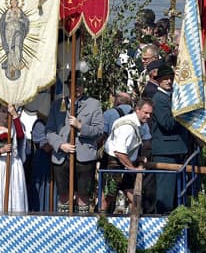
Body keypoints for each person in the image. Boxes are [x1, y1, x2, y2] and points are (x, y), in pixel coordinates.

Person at [45, 76, 103, 213]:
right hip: (61, 156)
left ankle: (82, 225)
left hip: (85, 157)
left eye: (80, 84)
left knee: (83, 195)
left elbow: (99, 131)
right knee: (63, 194)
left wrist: (80, 126)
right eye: (73, 84)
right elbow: (49, 130)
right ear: (68, 85)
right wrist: (60, 145)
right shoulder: (57, 104)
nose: (77, 87)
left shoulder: (94, 104)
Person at [149, 65, 193, 214]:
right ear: (159, 80)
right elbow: (167, 124)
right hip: (165, 152)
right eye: (165, 79)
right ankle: (163, 219)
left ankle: (173, 216)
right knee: (165, 192)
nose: (168, 81)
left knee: (176, 190)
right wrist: (182, 114)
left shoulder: (171, 96)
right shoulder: (159, 99)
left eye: (171, 78)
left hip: (176, 149)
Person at [102, 98, 153, 214]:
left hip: (126, 161)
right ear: (137, 110)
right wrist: (133, 169)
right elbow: (119, 152)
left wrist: (137, 158)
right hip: (114, 162)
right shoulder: (127, 127)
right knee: (108, 197)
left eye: (150, 113)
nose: (148, 116)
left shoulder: (140, 123)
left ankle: (134, 226)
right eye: (146, 113)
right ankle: (98, 224)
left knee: (134, 198)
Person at [0, 0, 29, 80]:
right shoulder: (8, 11)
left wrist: (20, 20)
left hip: (18, 31)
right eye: (12, 2)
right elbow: (4, 21)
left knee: (17, 47)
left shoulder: (20, 11)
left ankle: (17, 64)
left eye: (15, 2)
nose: (14, 3)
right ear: (10, 3)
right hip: (9, 31)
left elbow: (26, 22)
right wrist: (13, 18)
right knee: (10, 48)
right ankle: (11, 66)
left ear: (17, 3)